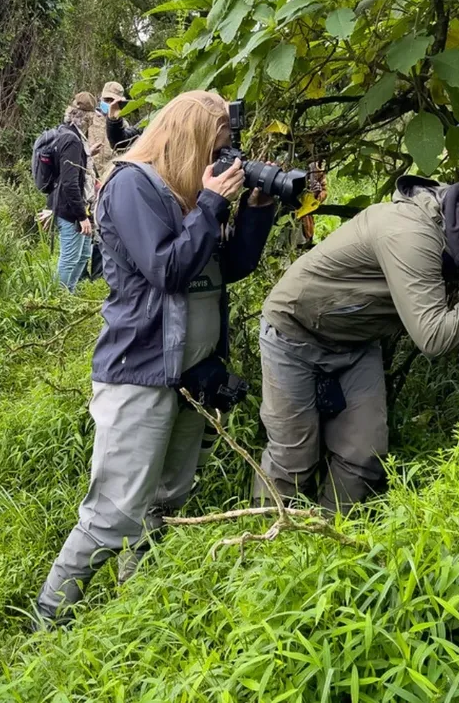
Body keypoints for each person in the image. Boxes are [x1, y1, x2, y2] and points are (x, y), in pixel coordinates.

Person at [35, 90, 277, 626]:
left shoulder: (188, 192)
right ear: (190, 139)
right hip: (140, 374)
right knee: (112, 513)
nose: (221, 161)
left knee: (166, 501)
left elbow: (224, 267)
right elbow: (168, 269)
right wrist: (213, 203)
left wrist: (257, 211)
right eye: (214, 148)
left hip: (191, 374)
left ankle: (137, 606)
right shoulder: (131, 185)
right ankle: (47, 622)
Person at [255, 173, 459, 513]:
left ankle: (328, 534)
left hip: (358, 339)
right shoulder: (410, 233)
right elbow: (434, 337)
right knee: (293, 456)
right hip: (294, 330)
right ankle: (267, 539)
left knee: (363, 454)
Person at [50, 92, 98, 292]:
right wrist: (82, 216)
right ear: (86, 117)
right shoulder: (72, 141)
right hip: (71, 210)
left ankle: (69, 293)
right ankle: (55, 300)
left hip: (78, 206)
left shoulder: (69, 133)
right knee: (69, 258)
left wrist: (88, 154)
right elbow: (69, 183)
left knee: (84, 255)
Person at [82, 81, 128, 281]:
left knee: (102, 228)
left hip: (108, 182)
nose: (108, 104)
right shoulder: (88, 120)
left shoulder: (123, 126)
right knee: (84, 228)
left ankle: (99, 275)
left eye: (113, 101)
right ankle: (81, 274)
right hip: (87, 180)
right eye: (106, 100)